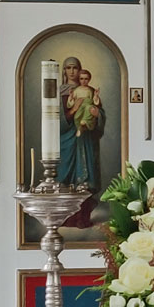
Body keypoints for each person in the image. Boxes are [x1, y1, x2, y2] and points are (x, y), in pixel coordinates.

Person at [56, 56, 103, 225]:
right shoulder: (61, 92)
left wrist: (97, 115)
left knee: (85, 178)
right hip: (66, 141)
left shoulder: (89, 91)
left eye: (75, 67)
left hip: (86, 140)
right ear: (64, 71)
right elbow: (56, 120)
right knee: (65, 178)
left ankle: (82, 218)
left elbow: (98, 113)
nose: (72, 71)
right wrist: (74, 109)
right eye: (68, 68)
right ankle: (66, 218)